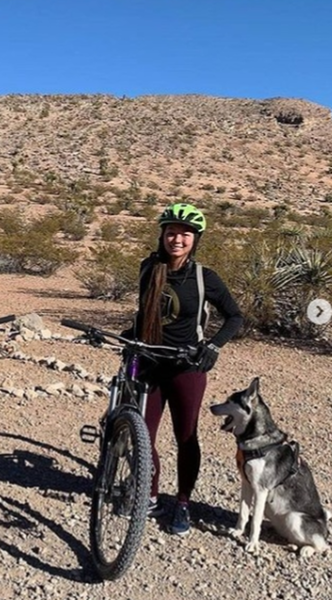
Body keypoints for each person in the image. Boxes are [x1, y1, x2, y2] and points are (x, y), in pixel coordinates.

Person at [125, 202, 243, 535]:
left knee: (186, 436)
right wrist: (131, 335)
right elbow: (147, 311)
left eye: (185, 234)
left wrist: (214, 346)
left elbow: (235, 317)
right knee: (143, 435)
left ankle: (183, 502)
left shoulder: (205, 277)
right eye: (171, 232)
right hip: (150, 362)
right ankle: (148, 495)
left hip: (186, 365)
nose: (177, 239)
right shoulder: (148, 268)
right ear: (162, 235)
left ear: (195, 239)